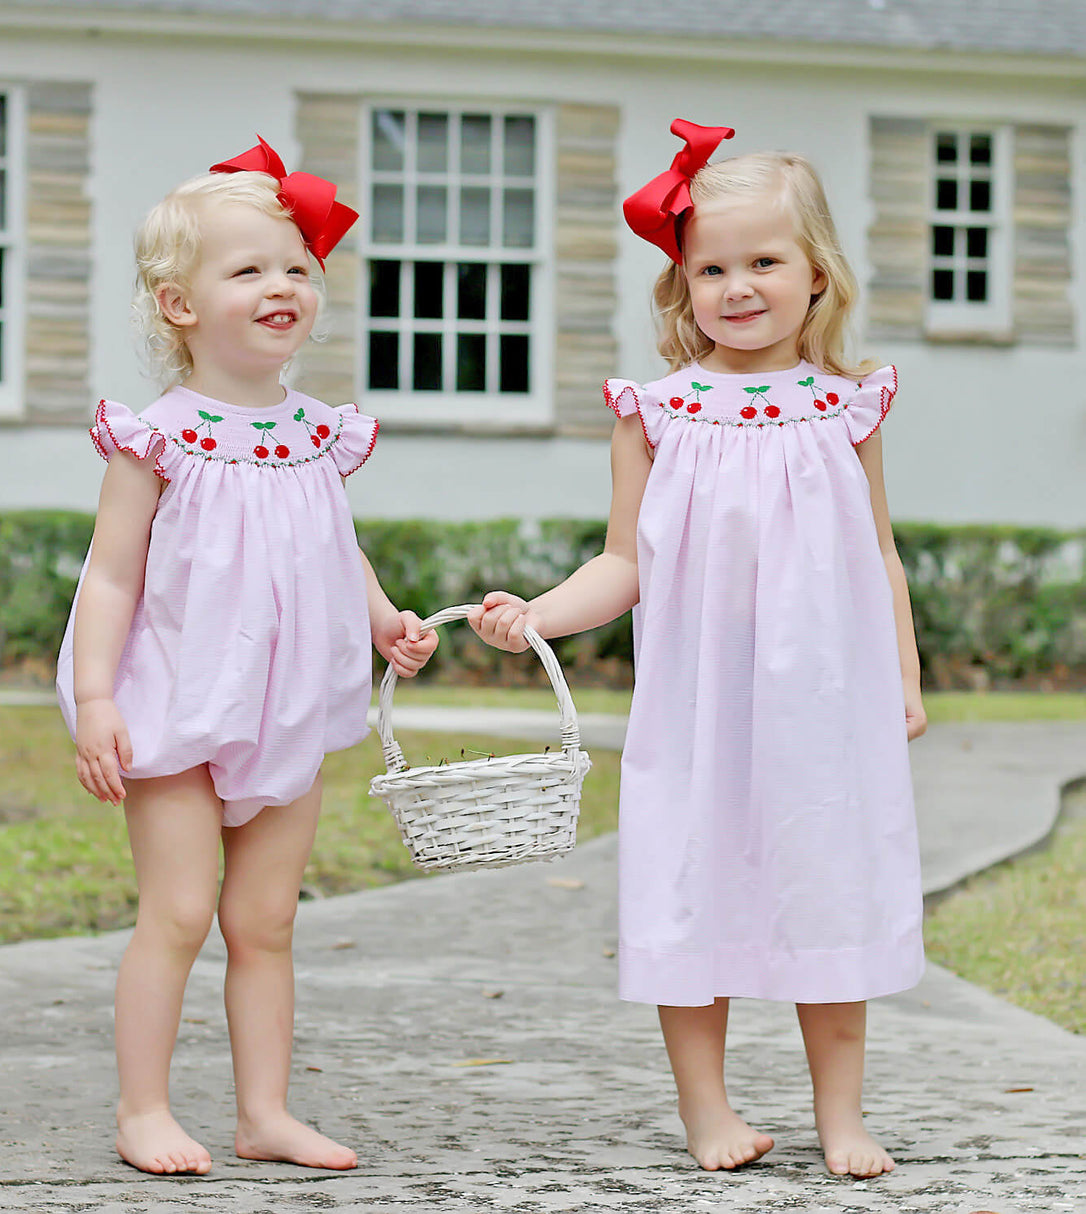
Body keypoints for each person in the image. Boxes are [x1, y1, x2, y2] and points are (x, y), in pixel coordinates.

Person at [469, 119, 925, 1179]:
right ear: (681, 284)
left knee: (824, 882)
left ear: (815, 273)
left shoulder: (844, 407)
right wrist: (538, 611)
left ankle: (840, 1111)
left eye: (762, 260)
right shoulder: (659, 412)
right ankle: (706, 1105)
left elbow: (880, 555)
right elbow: (624, 560)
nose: (735, 285)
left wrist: (900, 674)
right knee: (690, 877)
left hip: (821, 697)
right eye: (709, 266)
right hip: (697, 703)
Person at [55, 138, 437, 1177]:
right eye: (249, 269)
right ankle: (143, 1107)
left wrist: (381, 617)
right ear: (179, 305)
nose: (282, 286)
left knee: (264, 918)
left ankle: (263, 1109)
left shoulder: (318, 433)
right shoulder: (157, 438)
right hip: (174, 700)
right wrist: (95, 694)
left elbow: (328, 543)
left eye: (297, 268)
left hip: (285, 703)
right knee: (178, 911)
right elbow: (112, 577)